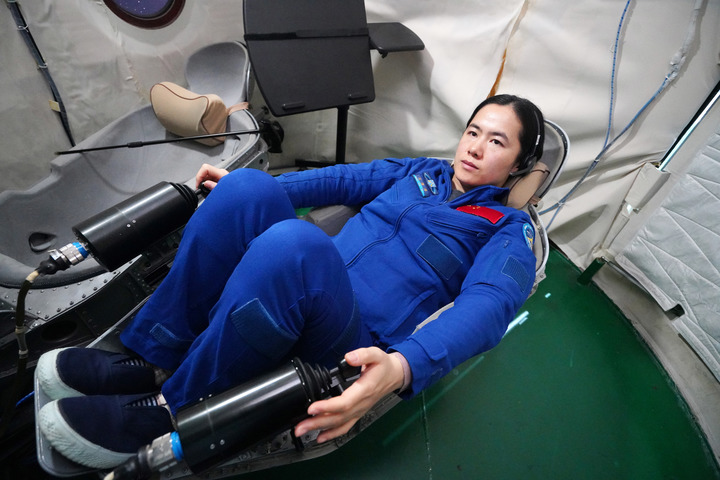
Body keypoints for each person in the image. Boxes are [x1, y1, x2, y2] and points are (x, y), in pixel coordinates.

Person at [36, 94, 545, 469]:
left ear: (519, 165)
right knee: (249, 188)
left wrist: (402, 366)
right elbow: (343, 179)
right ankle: (156, 355)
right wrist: (254, 187)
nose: (475, 148)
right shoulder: (421, 172)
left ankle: (176, 409)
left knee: (296, 244)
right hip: (305, 286)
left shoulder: (506, 231)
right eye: (473, 131)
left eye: (496, 141)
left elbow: (491, 305)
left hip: (348, 343)